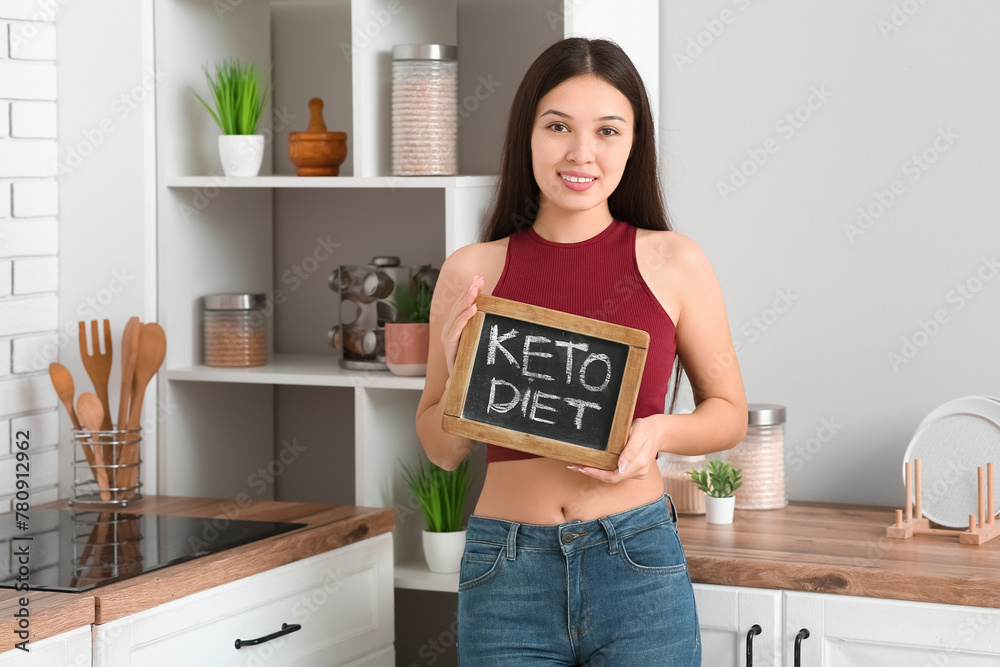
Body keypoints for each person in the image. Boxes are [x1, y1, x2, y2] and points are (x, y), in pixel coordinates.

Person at [415, 37, 747, 666]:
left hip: (636, 561)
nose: (580, 153)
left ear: (633, 143)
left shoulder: (675, 261)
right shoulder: (471, 272)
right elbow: (441, 447)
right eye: (558, 126)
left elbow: (728, 410)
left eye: (607, 131)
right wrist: (463, 374)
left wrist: (658, 432)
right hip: (504, 569)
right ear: (528, 134)